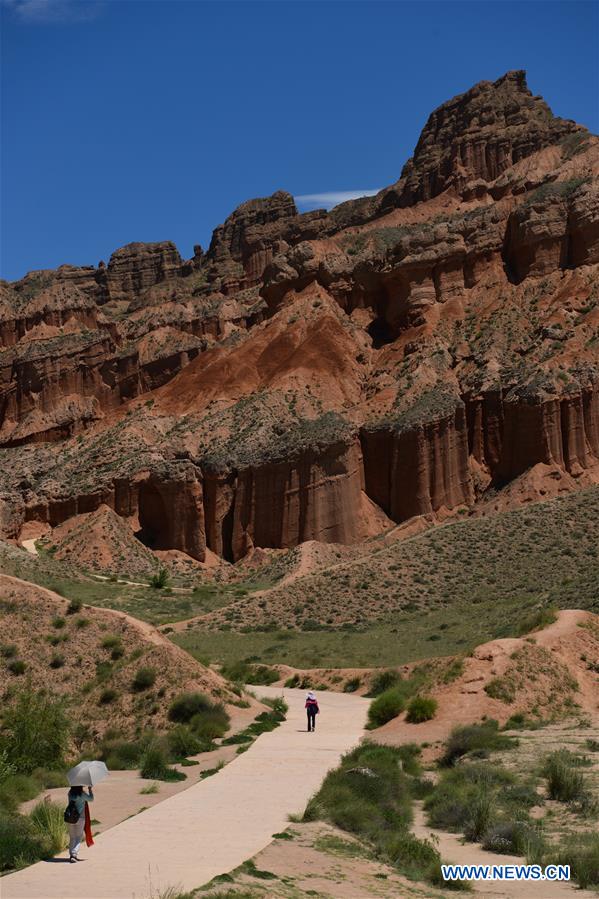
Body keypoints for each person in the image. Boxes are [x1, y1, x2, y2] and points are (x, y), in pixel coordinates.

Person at [66, 785, 94, 862]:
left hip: (70, 818)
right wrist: (90, 790)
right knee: (78, 837)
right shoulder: (82, 794)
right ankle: (74, 854)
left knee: (72, 837)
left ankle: (71, 854)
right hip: (80, 818)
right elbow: (91, 799)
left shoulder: (70, 793)